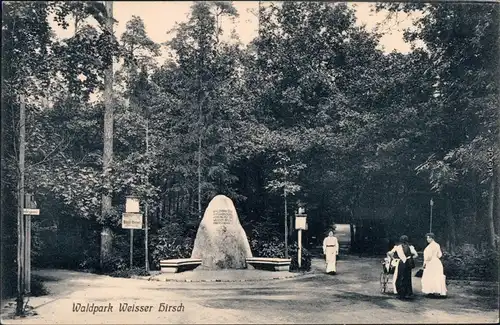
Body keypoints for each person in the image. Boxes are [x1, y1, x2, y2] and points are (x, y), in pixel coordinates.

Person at [421, 233, 447, 297]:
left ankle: (431, 291)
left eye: (428, 238)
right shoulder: (437, 245)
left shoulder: (430, 247)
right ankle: (437, 290)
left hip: (431, 262)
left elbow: (428, 257)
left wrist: (425, 263)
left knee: (431, 276)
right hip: (437, 262)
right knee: (437, 276)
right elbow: (439, 255)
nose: (427, 239)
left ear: (431, 238)